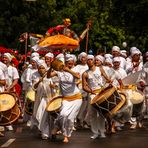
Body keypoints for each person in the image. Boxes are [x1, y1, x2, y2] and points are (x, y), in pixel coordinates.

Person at [47, 54, 82, 143]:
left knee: (70, 118)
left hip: (77, 98)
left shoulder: (75, 69)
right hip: (66, 98)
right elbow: (48, 76)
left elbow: (78, 77)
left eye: (71, 63)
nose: (70, 64)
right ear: (65, 63)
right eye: (68, 63)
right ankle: (56, 127)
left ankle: (66, 135)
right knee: (63, 115)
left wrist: (68, 70)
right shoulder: (59, 71)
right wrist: (51, 67)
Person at [82, 55, 106, 139]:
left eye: (91, 59)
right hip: (92, 95)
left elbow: (107, 78)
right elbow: (84, 87)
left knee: (101, 114)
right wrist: (90, 91)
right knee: (93, 114)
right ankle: (95, 132)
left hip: (101, 93)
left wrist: (109, 82)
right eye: (88, 60)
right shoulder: (85, 73)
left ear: (94, 60)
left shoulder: (100, 69)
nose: (89, 61)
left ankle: (102, 131)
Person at [2, 53, 19, 131]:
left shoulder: (13, 69)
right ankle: (2, 122)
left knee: (9, 106)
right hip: (2, 89)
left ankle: (8, 123)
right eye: (3, 58)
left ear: (9, 59)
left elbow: (15, 80)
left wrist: (9, 87)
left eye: (6, 58)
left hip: (10, 89)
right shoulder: (1, 67)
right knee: (2, 106)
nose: (4, 59)